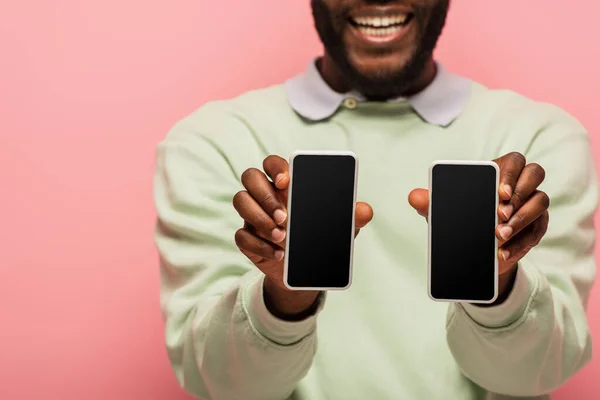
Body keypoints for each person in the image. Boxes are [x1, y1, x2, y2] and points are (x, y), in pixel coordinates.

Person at [152, 1, 598, 399]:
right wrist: (284, 297)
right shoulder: (212, 142)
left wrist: (498, 287)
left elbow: (535, 375)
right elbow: (221, 383)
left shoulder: (542, 139)